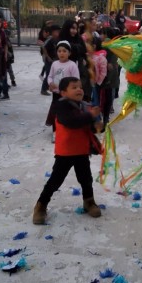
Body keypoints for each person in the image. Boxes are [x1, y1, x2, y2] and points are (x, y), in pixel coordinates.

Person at [32, 76, 103, 225]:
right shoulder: (61, 106)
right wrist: (90, 115)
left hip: (81, 150)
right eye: (74, 87)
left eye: (80, 87)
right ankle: (41, 205)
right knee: (55, 181)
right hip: (65, 152)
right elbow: (72, 122)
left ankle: (89, 201)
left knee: (86, 179)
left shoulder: (85, 106)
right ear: (63, 93)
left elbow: (89, 126)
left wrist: (97, 125)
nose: (79, 90)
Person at [45, 40, 80, 142]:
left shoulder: (72, 65)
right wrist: (50, 83)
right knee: (56, 113)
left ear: (69, 53)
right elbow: (50, 76)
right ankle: (56, 132)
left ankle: (68, 132)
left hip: (68, 95)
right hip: (56, 94)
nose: (62, 53)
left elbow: (76, 80)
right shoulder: (54, 64)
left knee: (67, 113)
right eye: (59, 51)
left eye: (64, 51)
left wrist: (72, 90)